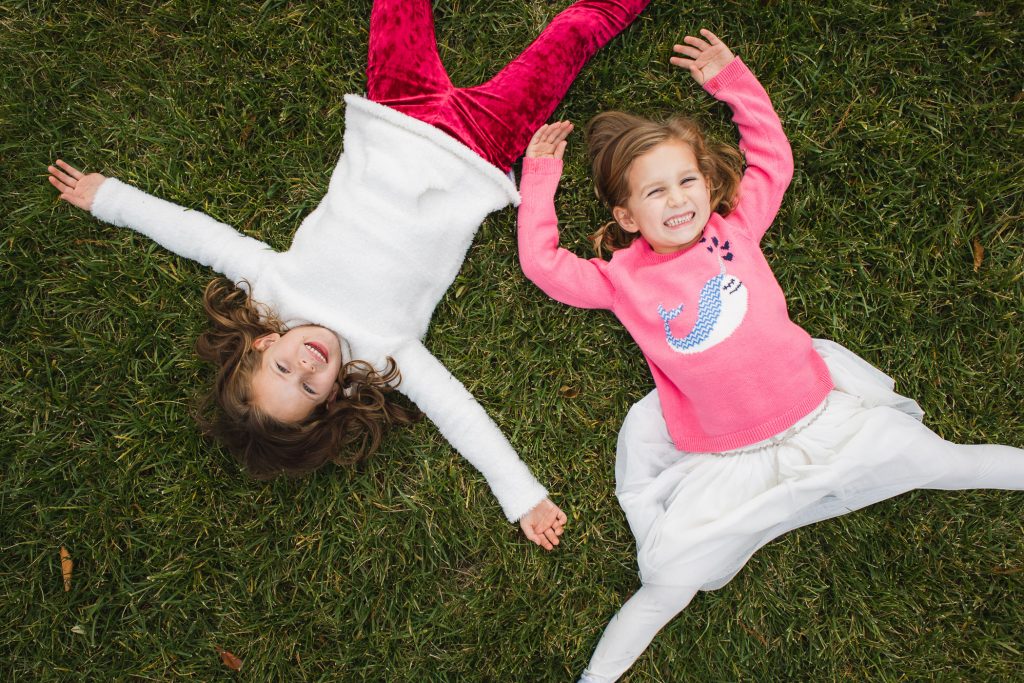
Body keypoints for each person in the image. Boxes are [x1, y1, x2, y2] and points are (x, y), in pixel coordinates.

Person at [46, 0, 649, 551]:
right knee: (574, 31)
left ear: (262, 343)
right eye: (308, 387)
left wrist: (111, 200)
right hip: (482, 147)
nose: (307, 365)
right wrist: (522, 496)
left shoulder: (273, 287)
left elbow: (200, 235)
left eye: (284, 367)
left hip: (396, 113)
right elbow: (460, 415)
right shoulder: (387, 353)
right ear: (334, 396)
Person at [516, 29, 1024, 681]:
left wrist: (733, 80)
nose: (678, 200)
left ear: (706, 184)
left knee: (941, 461)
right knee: (670, 578)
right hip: (728, 458)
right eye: (656, 193)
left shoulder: (736, 227)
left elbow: (772, 159)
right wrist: (540, 178)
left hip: (823, 419)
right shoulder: (622, 279)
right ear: (628, 216)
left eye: (686, 180)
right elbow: (544, 264)